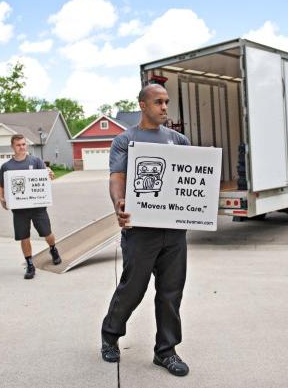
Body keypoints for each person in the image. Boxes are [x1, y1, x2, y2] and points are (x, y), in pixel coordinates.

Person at [101, 84, 191, 377]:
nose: (165, 107)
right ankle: (110, 335)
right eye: (158, 102)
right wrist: (119, 203)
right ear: (142, 105)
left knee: (170, 293)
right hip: (140, 230)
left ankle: (166, 351)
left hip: (174, 231)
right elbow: (117, 178)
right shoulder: (125, 140)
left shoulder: (179, 141)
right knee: (133, 288)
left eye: (166, 102)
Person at [0, 134, 62, 279]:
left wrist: (50, 174)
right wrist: (1, 198)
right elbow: (0, 186)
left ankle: (53, 249)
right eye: (18, 145)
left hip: (38, 207)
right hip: (19, 210)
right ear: (12, 147)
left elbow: (47, 175)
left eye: (24, 144)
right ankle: (30, 265)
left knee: (48, 234)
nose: (22, 147)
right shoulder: (7, 166)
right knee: (24, 237)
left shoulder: (36, 161)